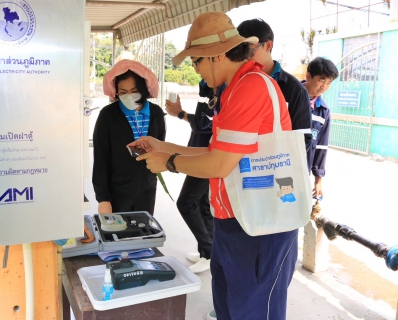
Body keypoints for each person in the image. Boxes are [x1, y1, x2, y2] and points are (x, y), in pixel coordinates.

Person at [128, 12, 303, 320]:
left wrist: (169, 162)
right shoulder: (232, 89)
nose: (195, 69)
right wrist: (163, 146)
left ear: (217, 55)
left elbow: (219, 164)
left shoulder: (251, 87)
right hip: (233, 221)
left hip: (260, 226)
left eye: (196, 61)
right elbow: (215, 152)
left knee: (252, 312)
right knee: (228, 309)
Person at [164, 80, 226, 273]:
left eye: (198, 62)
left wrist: (180, 113)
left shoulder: (223, 90)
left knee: (186, 202)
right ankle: (208, 252)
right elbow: (201, 122)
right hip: (198, 151)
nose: (197, 69)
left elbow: (204, 124)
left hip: (207, 155)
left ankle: (208, 252)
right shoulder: (209, 87)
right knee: (201, 204)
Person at [92, 60, 166, 215]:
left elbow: (161, 149)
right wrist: (103, 199)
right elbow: (100, 159)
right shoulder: (108, 116)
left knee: (143, 234)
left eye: (134, 91)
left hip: (147, 190)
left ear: (144, 89)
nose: (129, 96)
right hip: (117, 193)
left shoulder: (156, 114)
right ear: (116, 92)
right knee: (118, 236)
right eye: (123, 92)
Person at [237, 19, 312, 153]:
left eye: (249, 50)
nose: (245, 58)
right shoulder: (237, 85)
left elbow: (303, 140)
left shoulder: (295, 90)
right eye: (239, 52)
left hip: (276, 168)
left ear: (268, 45)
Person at [302, 57, 339, 199]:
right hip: (279, 163)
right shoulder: (289, 96)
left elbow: (321, 146)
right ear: (309, 76)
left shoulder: (323, 111)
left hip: (303, 170)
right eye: (322, 80)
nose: (324, 87)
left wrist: (318, 181)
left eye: (329, 82)